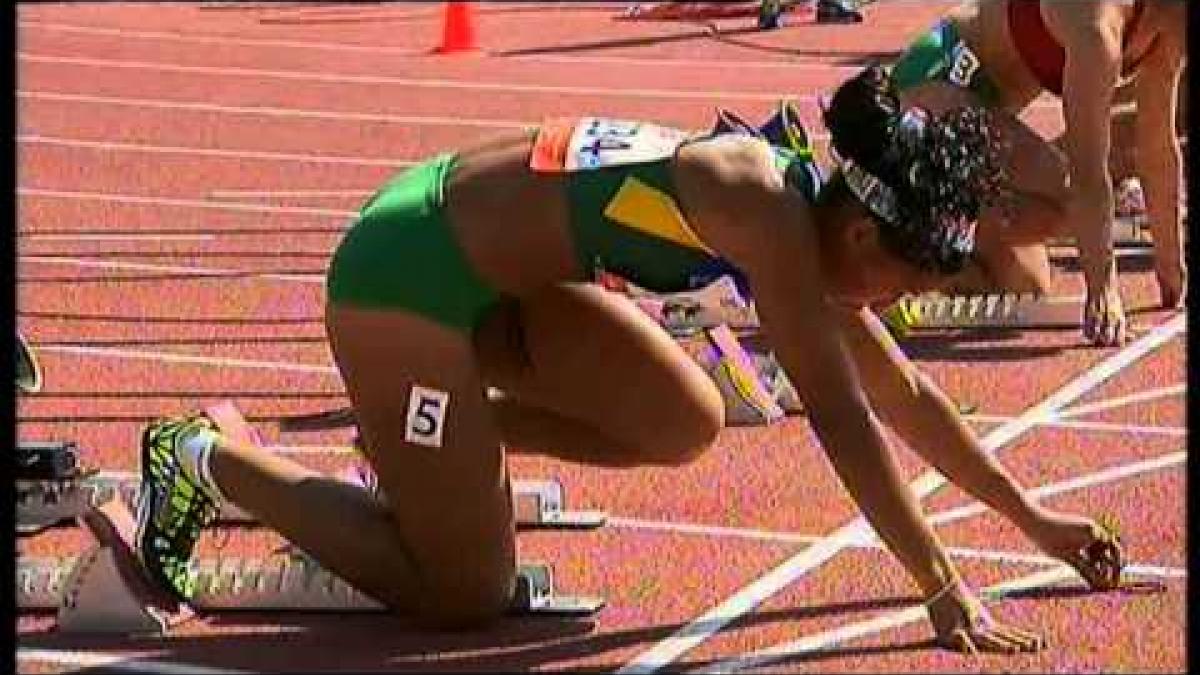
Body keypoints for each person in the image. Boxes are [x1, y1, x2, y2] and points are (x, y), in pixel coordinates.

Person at [133, 65, 1121, 652]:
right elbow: (844, 417)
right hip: (405, 278)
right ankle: (201, 457)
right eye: (905, 281)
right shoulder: (765, 211)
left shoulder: (810, 217)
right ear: (865, 236)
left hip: (504, 287)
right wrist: (941, 585)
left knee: (683, 417)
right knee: (461, 598)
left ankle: (441, 451)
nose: (899, 305)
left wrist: (1035, 522)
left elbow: (900, 390)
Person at [888, 0, 1187, 346]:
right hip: (931, 81)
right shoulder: (1097, 29)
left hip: (978, 111)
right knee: (1066, 199)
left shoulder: (1166, 31)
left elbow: (1157, 146)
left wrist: (1170, 264)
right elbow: (1086, 168)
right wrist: (1103, 290)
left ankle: (923, 233)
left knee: (1024, 285)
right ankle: (903, 230)